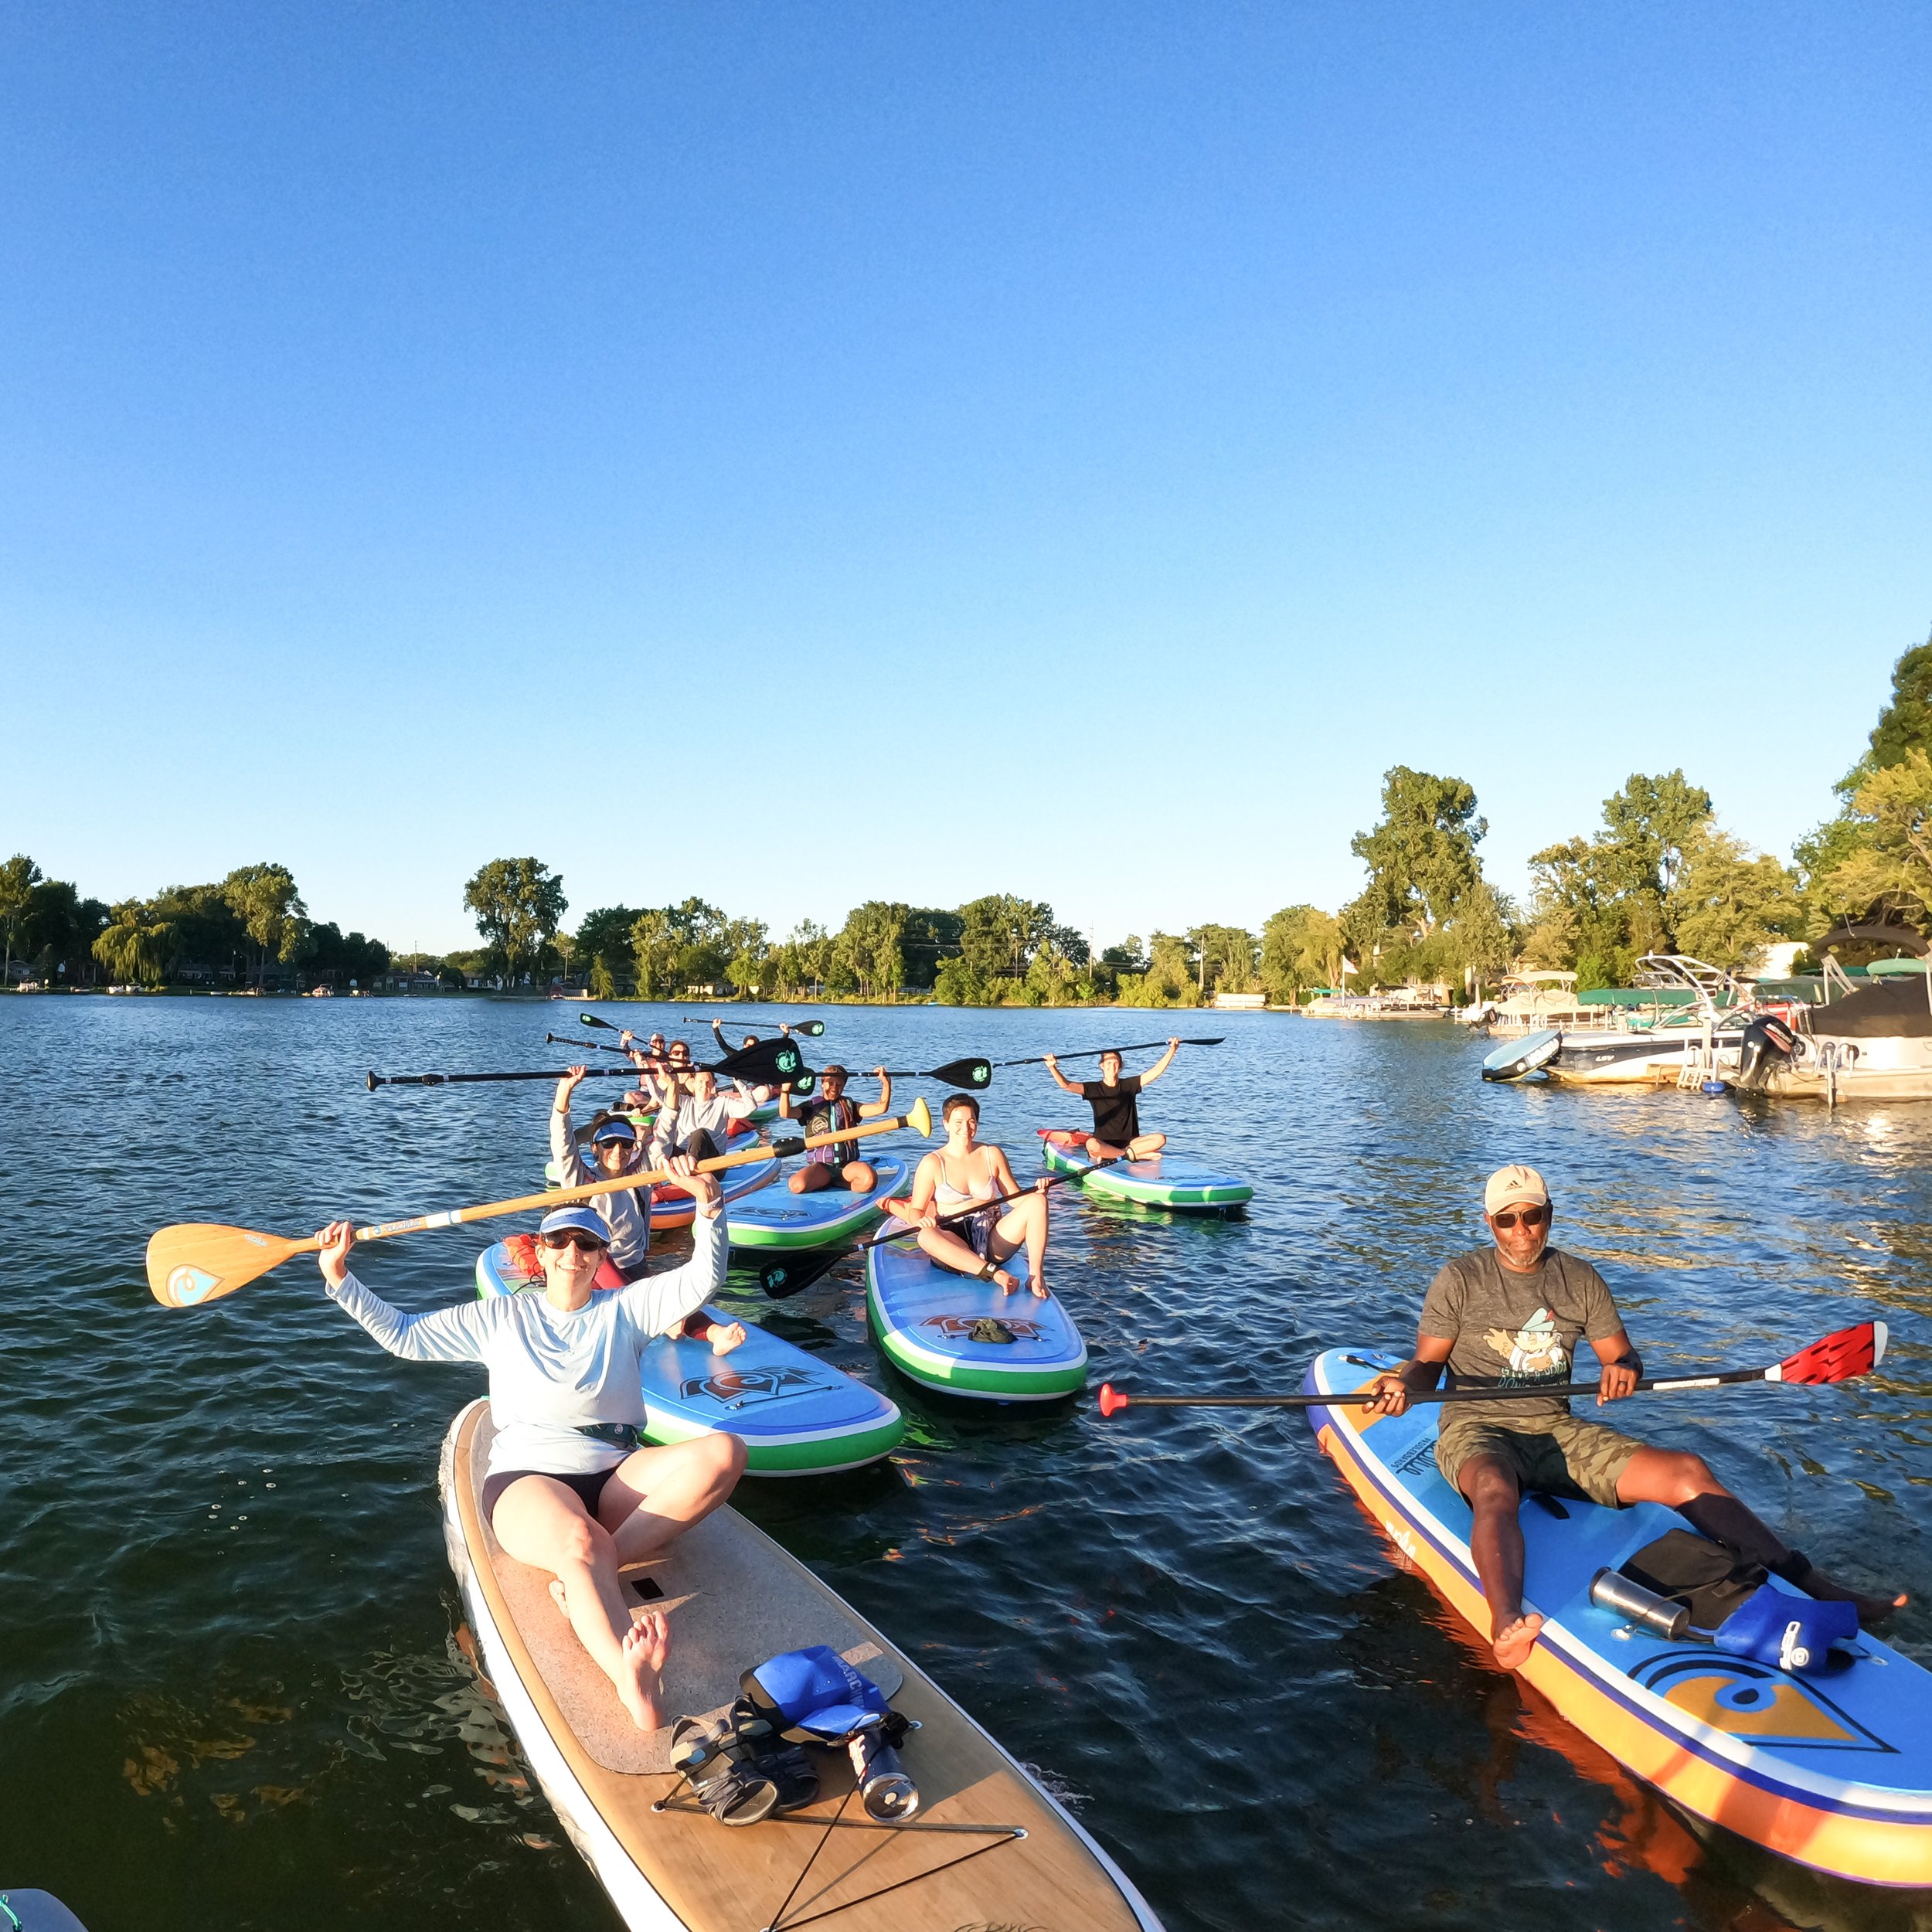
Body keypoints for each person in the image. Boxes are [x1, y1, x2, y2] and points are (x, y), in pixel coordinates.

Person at [1366, 1162, 1904, 1672]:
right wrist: (1403, 1389)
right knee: (1494, 1489)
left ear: (1549, 1215)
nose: (1522, 1229)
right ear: (1491, 1224)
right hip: (1477, 1429)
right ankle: (1505, 1618)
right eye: (1508, 1219)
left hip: (1556, 1430)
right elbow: (1426, 1366)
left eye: (1532, 1215)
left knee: (1687, 1471)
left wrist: (1622, 1370)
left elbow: (1623, 1358)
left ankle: (1809, 1581)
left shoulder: (1578, 1279)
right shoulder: (1460, 1278)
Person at [315, 1183, 747, 1734]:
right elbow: (404, 1336)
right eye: (560, 1241)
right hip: (530, 1477)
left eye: (586, 1243)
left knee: (724, 1451)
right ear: (540, 1252)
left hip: (615, 1468)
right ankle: (629, 1678)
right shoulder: (501, 1316)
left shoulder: (627, 1310)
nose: (573, 1253)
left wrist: (710, 1208)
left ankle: (590, 1577)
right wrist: (340, 1278)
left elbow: (702, 1278)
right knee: (578, 1541)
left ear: (600, 1255)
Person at [882, 1092, 1052, 1298]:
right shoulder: (932, 1163)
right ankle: (995, 1274)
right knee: (926, 1236)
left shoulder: (992, 1154)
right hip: (954, 1240)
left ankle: (1035, 1277)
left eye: (971, 1122)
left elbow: (1015, 1199)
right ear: (945, 1124)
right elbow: (916, 1209)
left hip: (992, 1239)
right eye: (958, 1122)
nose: (966, 1128)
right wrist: (923, 1221)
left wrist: (1038, 1191)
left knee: (1038, 1201)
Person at [1043, 1039, 1180, 1161]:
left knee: (1160, 1139)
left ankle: (1122, 1154)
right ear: (1102, 1066)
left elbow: (1156, 1072)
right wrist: (1052, 1067)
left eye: (1115, 1063)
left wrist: (1172, 1050)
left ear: (1120, 1066)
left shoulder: (1129, 1085)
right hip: (1103, 1143)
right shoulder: (1094, 1089)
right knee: (1091, 1144)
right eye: (1108, 1063)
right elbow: (1066, 1085)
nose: (1112, 1066)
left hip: (1131, 1143)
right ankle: (1131, 1155)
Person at [779, 1064, 892, 1195]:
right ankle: (824, 1180)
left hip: (847, 1166)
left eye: (839, 1085)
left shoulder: (850, 1106)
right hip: (822, 1167)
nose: (834, 1088)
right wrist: (785, 1091)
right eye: (830, 1083)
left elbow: (881, 1108)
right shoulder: (810, 1107)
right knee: (797, 1186)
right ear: (822, 1083)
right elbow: (785, 1113)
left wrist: (886, 1084)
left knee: (869, 1180)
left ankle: (840, 1182)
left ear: (844, 1087)